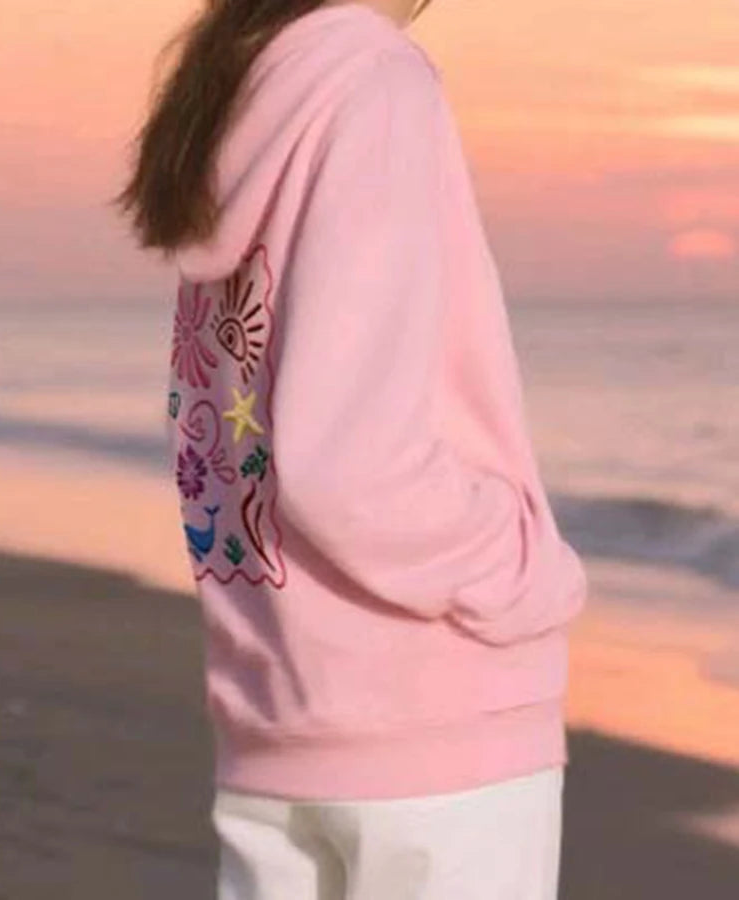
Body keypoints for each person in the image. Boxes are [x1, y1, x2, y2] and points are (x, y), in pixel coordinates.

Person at [115, 1, 588, 897]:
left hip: (279, 714)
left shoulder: (240, 83)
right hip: (432, 726)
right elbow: (349, 469)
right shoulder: (373, 82)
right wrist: (529, 575)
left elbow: (225, 432)